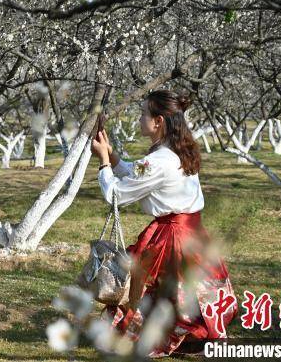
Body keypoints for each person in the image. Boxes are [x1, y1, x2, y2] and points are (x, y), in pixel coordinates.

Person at [91, 89, 237, 358]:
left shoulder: (160, 160)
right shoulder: (172, 151)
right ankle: (193, 337)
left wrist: (102, 163)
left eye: (144, 113)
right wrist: (112, 157)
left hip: (172, 236)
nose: (139, 118)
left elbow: (116, 195)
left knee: (156, 288)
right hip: (190, 231)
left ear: (158, 121)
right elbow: (138, 172)